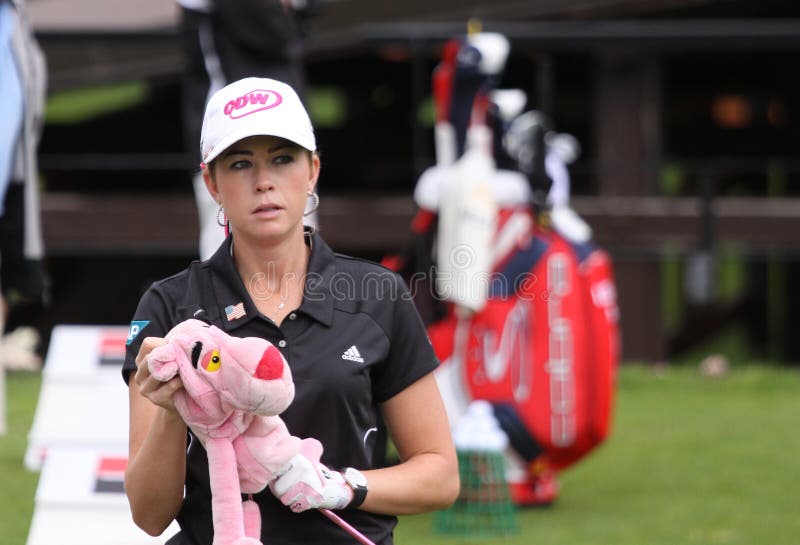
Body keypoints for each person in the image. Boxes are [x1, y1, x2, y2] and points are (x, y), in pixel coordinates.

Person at [122, 77, 459, 545]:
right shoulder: (168, 306)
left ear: (313, 170)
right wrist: (173, 408)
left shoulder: (378, 294)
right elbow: (149, 514)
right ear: (212, 183)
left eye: (283, 159)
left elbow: (440, 475)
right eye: (241, 164)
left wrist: (341, 488)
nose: (264, 182)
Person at [178, 0, 316, 259]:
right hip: (228, 135)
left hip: (285, 129)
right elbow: (274, 32)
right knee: (225, 256)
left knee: (299, 254)